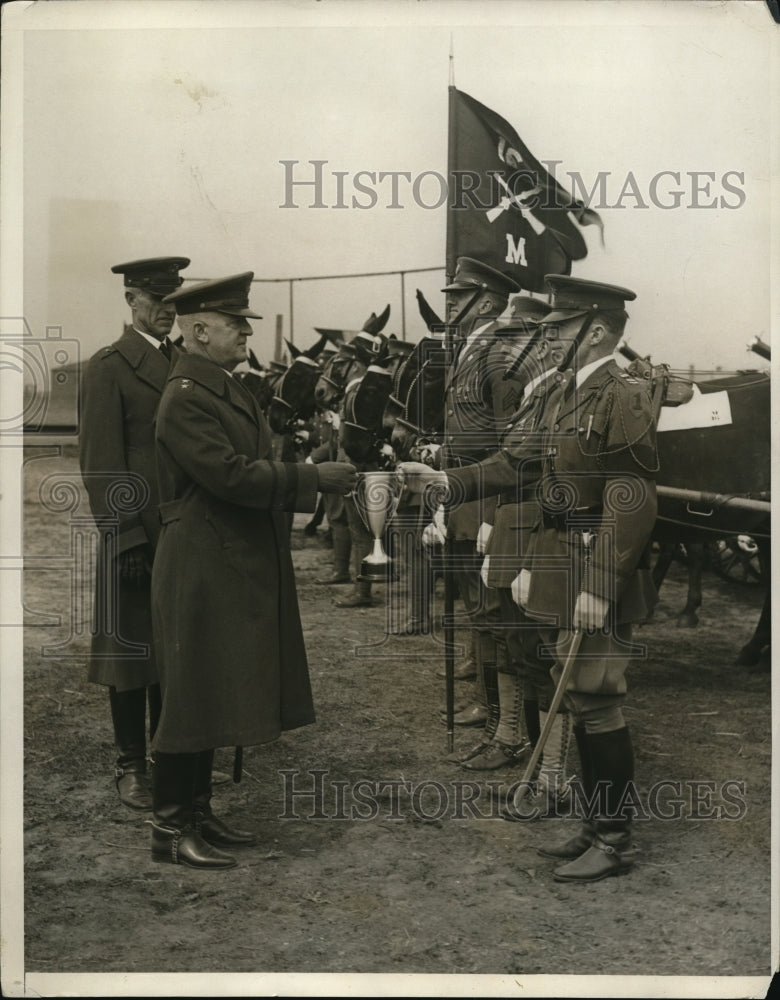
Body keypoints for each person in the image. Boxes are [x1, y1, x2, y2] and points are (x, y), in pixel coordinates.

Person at [403, 275, 659, 882]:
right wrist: (448, 483)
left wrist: (600, 584)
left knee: (597, 698)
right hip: (563, 557)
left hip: (599, 561)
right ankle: (596, 827)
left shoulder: (623, 394)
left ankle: (616, 841)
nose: (546, 340)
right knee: (576, 694)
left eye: (559, 330)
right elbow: (516, 462)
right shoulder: (565, 393)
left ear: (596, 331)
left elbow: (635, 496)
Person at [149, 272, 356, 871]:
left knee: (211, 687)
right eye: (236, 323)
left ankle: (197, 810)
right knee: (191, 695)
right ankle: (168, 828)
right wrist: (312, 480)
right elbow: (230, 475)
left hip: (226, 560)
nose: (245, 331)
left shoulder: (219, 387)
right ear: (199, 329)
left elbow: (248, 464)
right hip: (202, 565)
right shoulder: (187, 395)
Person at [79, 255, 190, 811]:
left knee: (174, 646)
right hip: (136, 531)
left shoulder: (186, 362)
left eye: (173, 301)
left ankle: (166, 753)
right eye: (155, 301)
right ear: (131, 301)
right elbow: (101, 462)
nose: (167, 311)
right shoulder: (110, 366)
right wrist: (123, 536)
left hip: (182, 528)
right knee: (130, 650)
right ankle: (129, 764)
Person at [438, 257, 525, 762]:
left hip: (488, 500)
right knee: (478, 608)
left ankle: (502, 726)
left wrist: (490, 512)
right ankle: (488, 712)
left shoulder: (498, 355)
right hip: (467, 497)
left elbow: (508, 443)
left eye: (458, 295)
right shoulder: (470, 348)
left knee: (493, 613)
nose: (449, 302)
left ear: (487, 302)